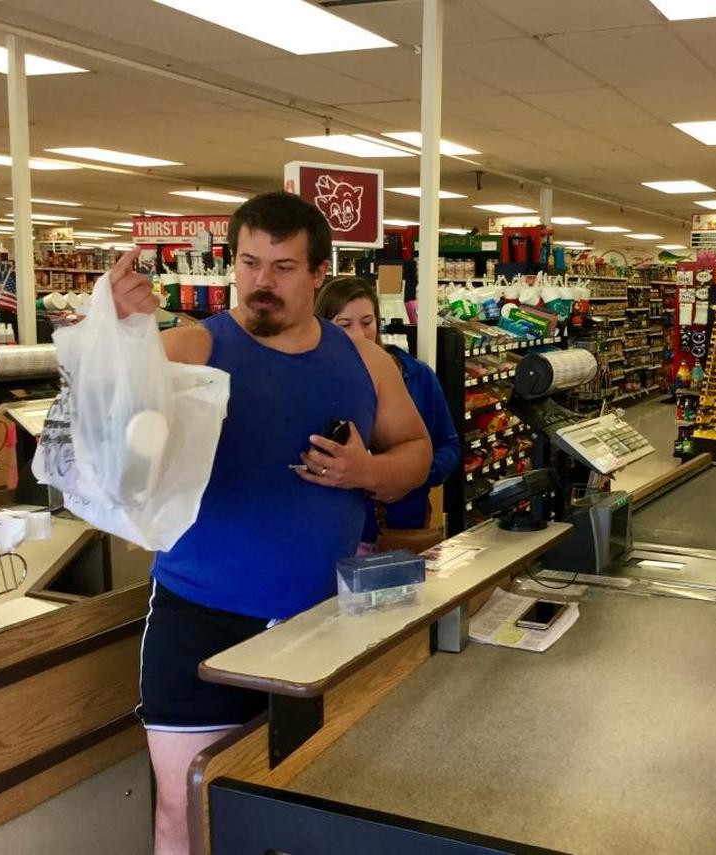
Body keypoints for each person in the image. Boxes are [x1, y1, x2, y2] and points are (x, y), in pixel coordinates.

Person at [109, 192, 431, 854]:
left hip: (318, 629)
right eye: (249, 262)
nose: (261, 282)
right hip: (200, 623)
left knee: (299, 815)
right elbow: (99, 412)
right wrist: (116, 338)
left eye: (283, 267)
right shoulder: (195, 346)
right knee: (187, 809)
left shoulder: (365, 361)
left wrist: (363, 471)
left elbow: (418, 455)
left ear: (319, 273)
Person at [315, 276, 461, 550]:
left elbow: (449, 445)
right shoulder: (317, 384)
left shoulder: (417, 376)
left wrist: (408, 474)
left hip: (406, 524)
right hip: (342, 533)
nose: (359, 334)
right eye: (344, 325)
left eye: (367, 322)